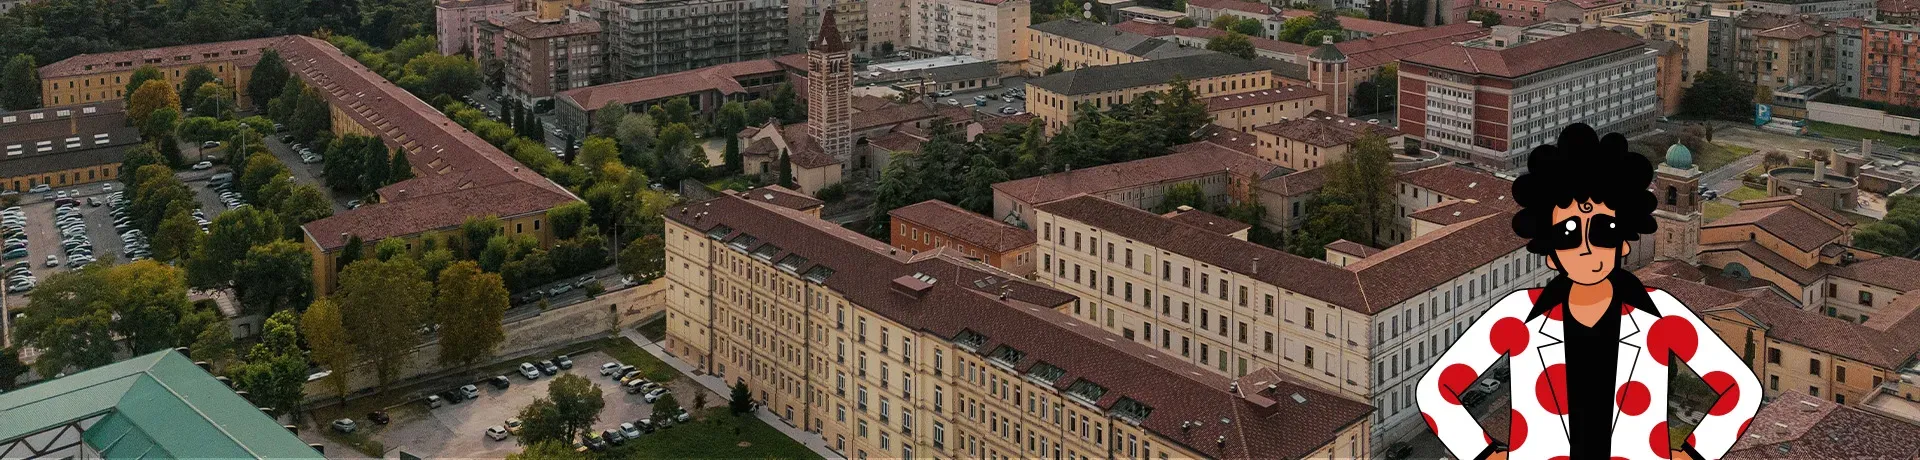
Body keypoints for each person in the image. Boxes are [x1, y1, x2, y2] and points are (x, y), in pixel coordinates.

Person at [1416, 124, 1761, 460]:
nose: (1586, 247)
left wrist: (1693, 455)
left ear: (1623, 242)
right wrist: (1486, 454)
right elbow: (1435, 392)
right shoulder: (1517, 316)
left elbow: (1741, 391)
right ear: (1550, 253)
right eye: (1568, 234)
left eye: (1604, 230)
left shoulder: (1661, 315)